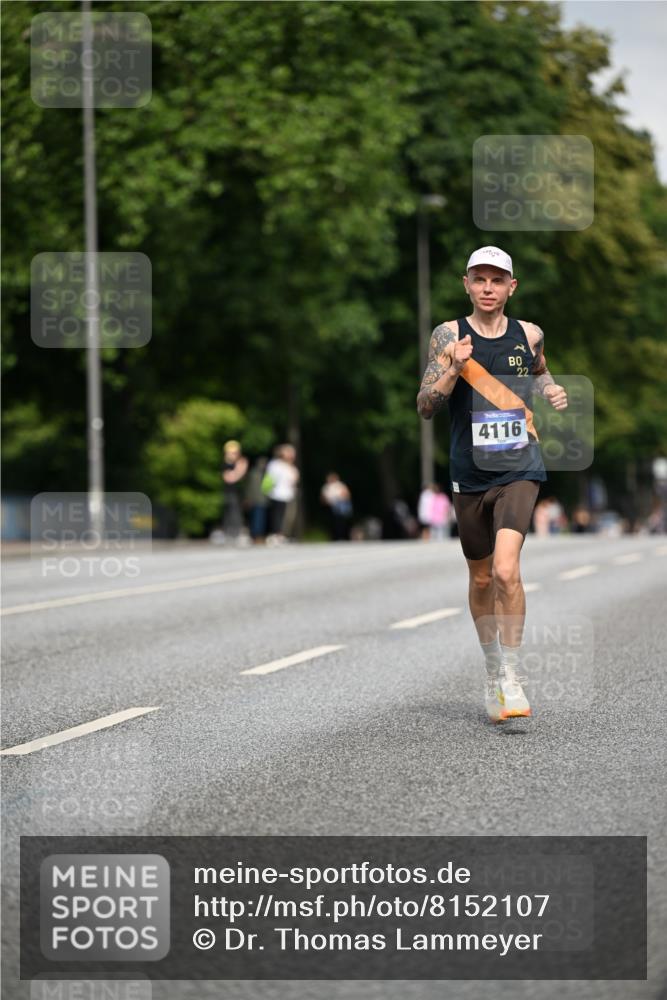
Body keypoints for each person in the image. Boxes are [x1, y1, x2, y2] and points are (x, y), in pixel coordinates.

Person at [417, 245, 568, 723]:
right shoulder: (448, 335)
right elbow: (425, 405)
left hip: (520, 465)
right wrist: (453, 369)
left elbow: (539, 370)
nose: (487, 288)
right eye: (479, 279)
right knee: (481, 577)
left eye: (496, 280)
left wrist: (550, 389)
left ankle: (512, 677)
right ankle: (491, 669)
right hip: (469, 472)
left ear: (511, 287)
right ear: (466, 284)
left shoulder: (530, 334)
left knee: (505, 570)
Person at [264, 444, 300, 545]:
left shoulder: (290, 466)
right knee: (277, 515)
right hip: (277, 494)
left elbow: (295, 479)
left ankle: (284, 535)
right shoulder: (275, 464)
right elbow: (271, 478)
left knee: (288, 517)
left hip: (288, 495)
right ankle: (276, 535)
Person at [220, 440, 248, 543]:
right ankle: (231, 533)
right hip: (230, 492)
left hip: (238, 492)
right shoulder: (226, 464)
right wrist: (240, 468)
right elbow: (229, 478)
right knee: (232, 512)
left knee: (237, 512)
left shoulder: (237, 463)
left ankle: (236, 533)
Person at [320, 472, 353, 541]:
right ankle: (335, 537)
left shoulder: (340, 485)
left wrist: (340, 499)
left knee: (341, 522)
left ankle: (343, 536)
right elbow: (322, 498)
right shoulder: (326, 487)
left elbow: (347, 495)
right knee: (333, 523)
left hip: (340, 506)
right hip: (330, 507)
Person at [245, 456, 270, 543]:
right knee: (258, 519)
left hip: (261, 500)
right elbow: (250, 488)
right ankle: (257, 536)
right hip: (258, 500)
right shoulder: (259, 474)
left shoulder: (258, 473)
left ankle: (258, 535)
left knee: (259, 519)